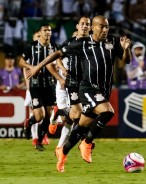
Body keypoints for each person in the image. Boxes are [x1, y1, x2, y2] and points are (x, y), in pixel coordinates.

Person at [26, 15, 132, 172]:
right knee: (108, 111)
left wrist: (126, 49)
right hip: (87, 88)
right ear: (93, 28)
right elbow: (56, 54)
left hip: (103, 90)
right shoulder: (81, 43)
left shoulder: (112, 41)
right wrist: (37, 67)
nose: (105, 30)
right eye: (101, 27)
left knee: (81, 125)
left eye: (107, 27)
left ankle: (62, 152)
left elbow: (126, 61)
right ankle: (87, 143)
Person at [19, 23, 62, 151]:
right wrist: (32, 68)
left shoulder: (55, 47)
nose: (48, 32)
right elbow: (21, 61)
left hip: (50, 85)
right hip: (36, 85)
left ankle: (38, 141)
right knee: (39, 116)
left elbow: (59, 61)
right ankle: (30, 122)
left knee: (49, 116)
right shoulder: (31, 47)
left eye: (49, 31)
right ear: (40, 33)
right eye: (45, 30)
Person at [51, 17, 91, 150]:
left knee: (72, 119)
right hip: (67, 82)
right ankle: (59, 111)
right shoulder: (68, 43)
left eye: (87, 25)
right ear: (77, 27)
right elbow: (57, 59)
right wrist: (62, 72)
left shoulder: (91, 44)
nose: (84, 27)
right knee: (72, 118)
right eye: (82, 24)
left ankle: (60, 147)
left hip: (82, 84)